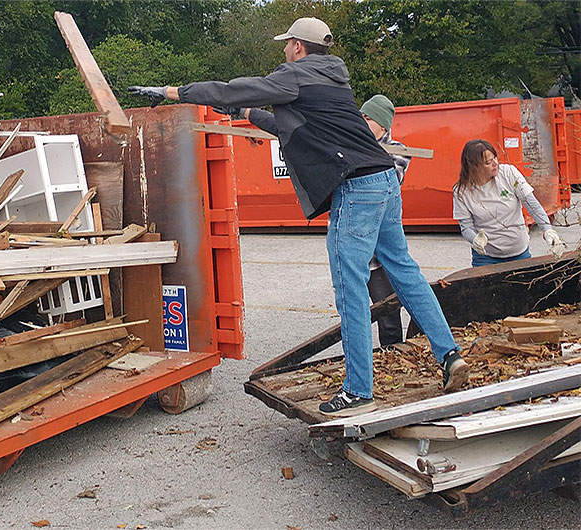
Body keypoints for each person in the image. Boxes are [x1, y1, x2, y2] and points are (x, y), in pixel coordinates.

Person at [128, 16, 468, 417]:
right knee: (405, 273)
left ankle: (360, 390)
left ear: (298, 47)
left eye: (287, 43)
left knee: (351, 290)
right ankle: (450, 355)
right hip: (383, 181)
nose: (284, 50)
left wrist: (173, 92)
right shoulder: (332, 78)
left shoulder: (294, 75)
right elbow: (292, 126)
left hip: (356, 189)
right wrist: (250, 112)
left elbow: (231, 88)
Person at [453, 139, 566, 267]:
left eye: (495, 158)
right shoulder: (461, 192)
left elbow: (531, 204)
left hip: (519, 251)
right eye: (488, 162)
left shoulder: (509, 173)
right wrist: (475, 240)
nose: (495, 164)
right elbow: (466, 227)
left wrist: (548, 230)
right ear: (474, 167)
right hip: (486, 257)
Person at [360, 95, 410, 347]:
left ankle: (395, 355)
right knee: (362, 312)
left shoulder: (398, 151)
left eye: (368, 118)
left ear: (383, 125)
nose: (363, 122)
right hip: (359, 252)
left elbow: (383, 185)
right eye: (362, 117)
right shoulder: (353, 145)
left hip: (383, 253)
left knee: (390, 311)